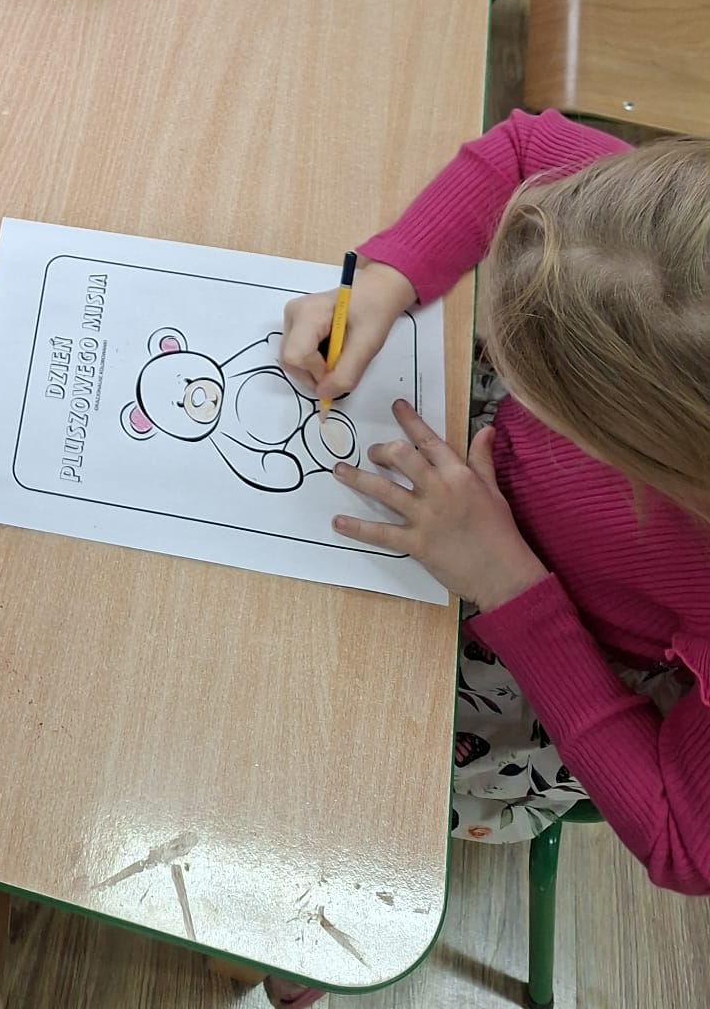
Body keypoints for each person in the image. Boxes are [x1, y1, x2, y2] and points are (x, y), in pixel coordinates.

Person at [267, 115, 710, 1007]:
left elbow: (681, 839)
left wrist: (508, 582)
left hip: (556, 658)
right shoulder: (662, 247)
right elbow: (521, 152)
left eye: (529, 372)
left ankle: (311, 899)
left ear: (634, 454)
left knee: (321, 740)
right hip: (484, 501)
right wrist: (388, 279)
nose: (494, 355)